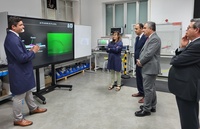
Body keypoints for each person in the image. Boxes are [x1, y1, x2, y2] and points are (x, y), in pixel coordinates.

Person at [4, 16, 47, 126]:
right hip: (19, 72)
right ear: (13, 27)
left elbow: (20, 54)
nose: (23, 26)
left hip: (23, 71)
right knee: (19, 96)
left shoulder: (15, 37)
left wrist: (30, 51)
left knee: (28, 91)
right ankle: (18, 119)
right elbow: (21, 58)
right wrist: (33, 51)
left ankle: (33, 108)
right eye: (21, 25)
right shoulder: (12, 39)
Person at [168, 18, 200, 129]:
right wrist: (182, 47)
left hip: (187, 89)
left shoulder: (197, 45)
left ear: (197, 30)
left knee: (189, 121)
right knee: (189, 117)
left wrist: (181, 49)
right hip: (186, 87)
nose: (186, 30)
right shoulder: (193, 44)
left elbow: (175, 61)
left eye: (189, 28)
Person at [135, 21, 161, 117]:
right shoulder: (150, 38)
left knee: (148, 89)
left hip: (150, 68)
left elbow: (149, 54)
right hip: (148, 67)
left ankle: (146, 109)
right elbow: (145, 51)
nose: (143, 30)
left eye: (145, 28)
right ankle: (152, 106)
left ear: (150, 29)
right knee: (151, 88)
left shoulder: (155, 39)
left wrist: (141, 61)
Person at [132, 23, 148, 103]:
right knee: (138, 78)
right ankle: (140, 92)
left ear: (142, 29)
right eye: (135, 29)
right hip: (137, 61)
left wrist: (141, 61)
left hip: (143, 62)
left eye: (136, 29)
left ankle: (145, 96)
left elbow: (146, 51)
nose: (135, 30)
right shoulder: (137, 38)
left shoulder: (146, 38)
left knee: (144, 79)